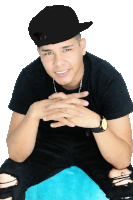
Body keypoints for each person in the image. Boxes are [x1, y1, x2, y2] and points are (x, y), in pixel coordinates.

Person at [0, 5, 133, 200]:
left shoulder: (107, 79)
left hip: (95, 147)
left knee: (126, 186)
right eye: (48, 53)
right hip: (45, 146)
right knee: (5, 185)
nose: (58, 63)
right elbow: (16, 155)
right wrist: (34, 112)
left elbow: (123, 159)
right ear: (39, 52)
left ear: (82, 46)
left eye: (66, 49)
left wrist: (96, 123)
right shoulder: (30, 77)